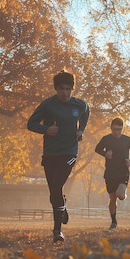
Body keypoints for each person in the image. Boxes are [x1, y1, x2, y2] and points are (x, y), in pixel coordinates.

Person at [27, 70, 90, 243]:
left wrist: (81, 130)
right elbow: (30, 124)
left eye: (68, 89)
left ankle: (57, 231)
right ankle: (62, 206)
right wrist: (46, 129)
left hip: (69, 152)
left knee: (56, 187)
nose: (65, 92)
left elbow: (86, 111)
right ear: (56, 89)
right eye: (62, 89)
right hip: (50, 153)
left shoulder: (79, 104)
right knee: (54, 191)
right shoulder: (48, 105)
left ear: (72, 89)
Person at [95, 117, 130, 229]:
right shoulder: (106, 139)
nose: (117, 132)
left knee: (120, 195)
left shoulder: (127, 140)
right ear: (111, 128)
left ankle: (123, 192)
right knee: (112, 199)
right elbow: (97, 149)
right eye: (114, 129)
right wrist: (105, 154)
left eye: (119, 129)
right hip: (110, 173)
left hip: (123, 172)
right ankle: (114, 222)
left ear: (122, 128)